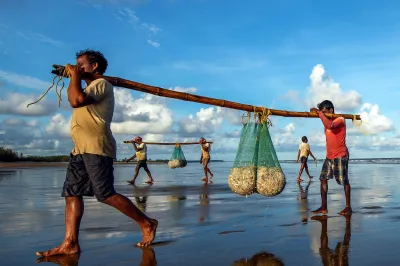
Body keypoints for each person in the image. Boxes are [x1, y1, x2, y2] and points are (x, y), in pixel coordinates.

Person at [36, 49, 158, 258]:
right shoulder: (89, 85)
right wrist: (76, 76)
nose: (77, 68)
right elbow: (74, 96)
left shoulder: (102, 85)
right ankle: (70, 243)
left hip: (97, 148)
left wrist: (74, 76)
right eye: (76, 65)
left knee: (105, 194)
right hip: (79, 149)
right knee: (72, 193)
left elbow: (76, 100)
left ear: (94, 66)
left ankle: (147, 222)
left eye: (81, 64)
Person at [310, 100, 352, 215]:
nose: (322, 113)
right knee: (323, 178)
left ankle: (348, 207)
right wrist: (321, 114)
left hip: (341, 154)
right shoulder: (326, 122)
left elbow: (330, 125)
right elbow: (327, 128)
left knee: (344, 181)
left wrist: (319, 113)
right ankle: (324, 206)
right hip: (329, 156)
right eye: (321, 111)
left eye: (324, 111)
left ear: (331, 110)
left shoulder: (341, 119)